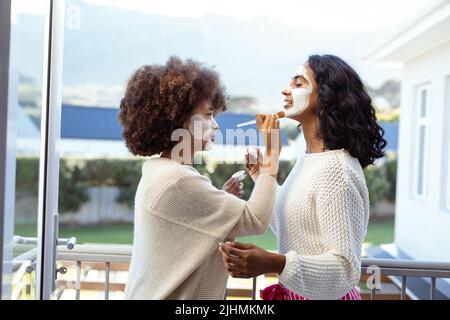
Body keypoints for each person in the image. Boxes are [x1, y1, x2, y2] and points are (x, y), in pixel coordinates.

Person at [219, 54, 387, 300]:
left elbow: (345, 269)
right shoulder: (309, 159)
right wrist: (261, 174)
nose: (285, 91)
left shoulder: (336, 171)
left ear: (327, 98)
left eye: (298, 83)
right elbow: (292, 225)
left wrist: (275, 263)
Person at [119, 56, 281, 299]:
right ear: (180, 119)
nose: (215, 125)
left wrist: (221, 200)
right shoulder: (177, 179)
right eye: (207, 115)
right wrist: (272, 157)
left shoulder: (159, 170)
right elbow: (256, 219)